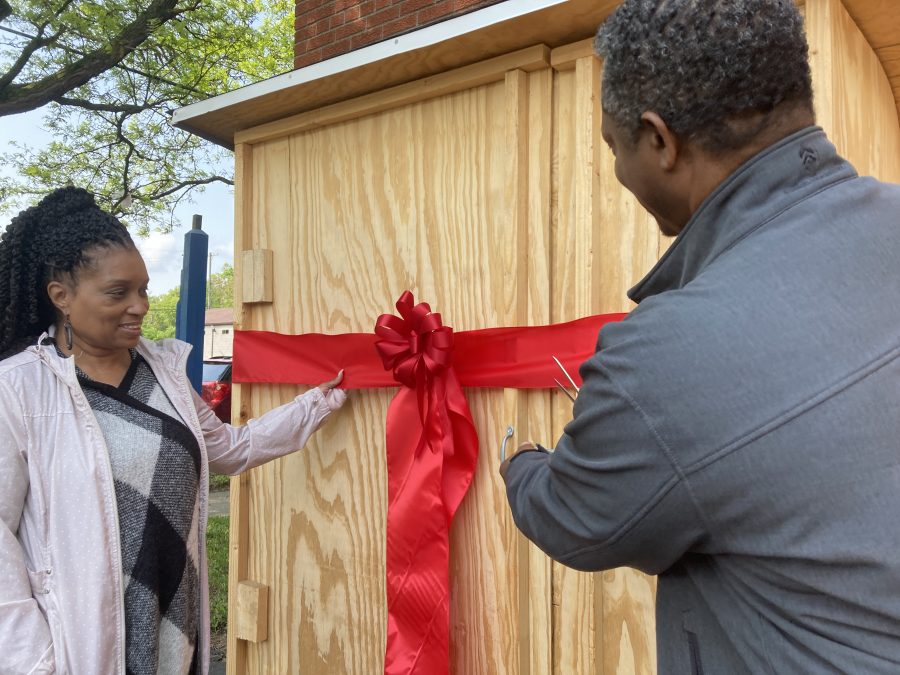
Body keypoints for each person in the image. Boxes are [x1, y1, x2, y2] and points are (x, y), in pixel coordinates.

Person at [501, 1, 900, 672]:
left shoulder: (665, 360)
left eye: (613, 145)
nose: (620, 170)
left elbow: (573, 515)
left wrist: (518, 464)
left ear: (659, 141)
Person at [0, 187, 346, 674]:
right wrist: (33, 662)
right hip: (76, 642)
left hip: (171, 619)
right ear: (61, 297)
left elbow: (230, 449)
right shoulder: (17, 390)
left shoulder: (165, 372)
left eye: (143, 288)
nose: (139, 305)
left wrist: (317, 403)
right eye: (118, 293)